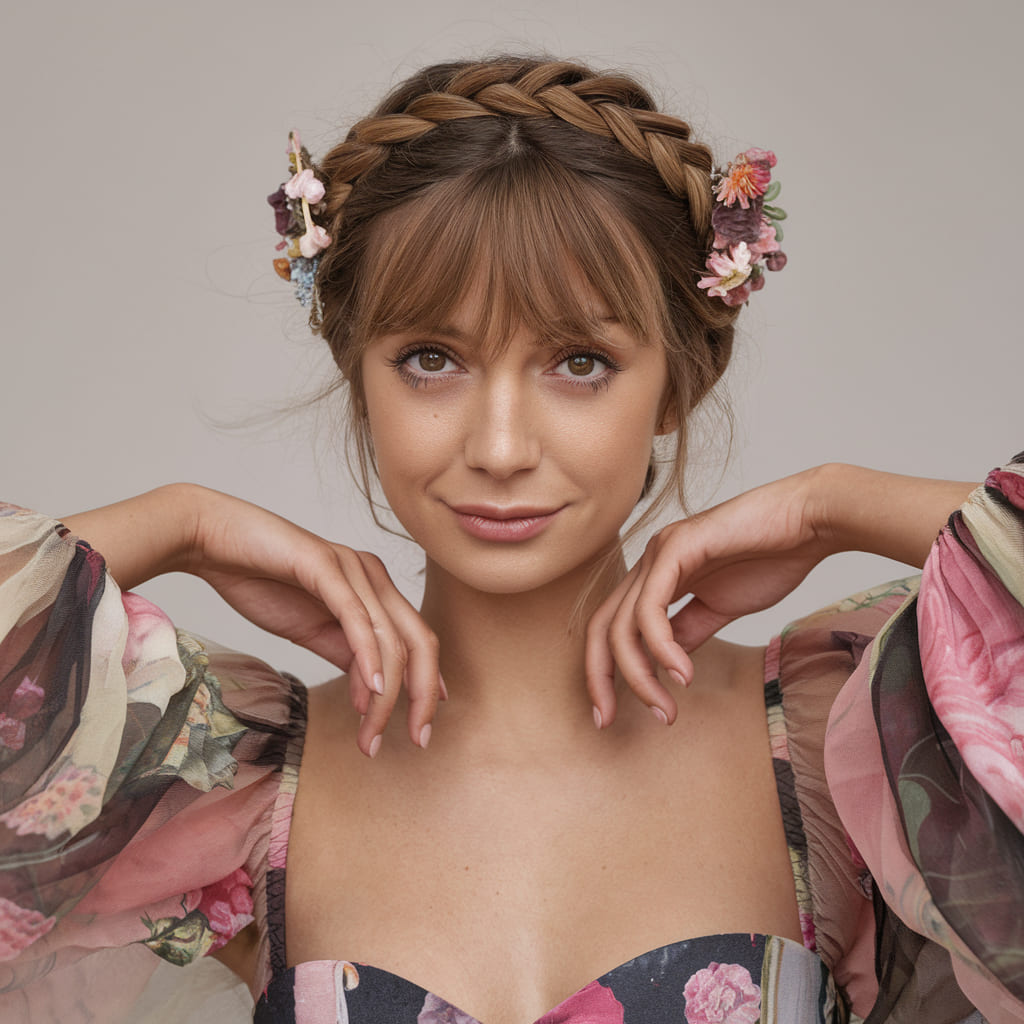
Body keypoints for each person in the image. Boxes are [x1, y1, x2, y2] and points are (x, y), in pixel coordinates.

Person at [0, 55, 1021, 1024]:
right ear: (360, 375)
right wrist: (184, 522)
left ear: (678, 381)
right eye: (431, 358)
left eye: (578, 362)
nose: (497, 445)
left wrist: (833, 506)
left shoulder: (842, 745)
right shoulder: (233, 785)